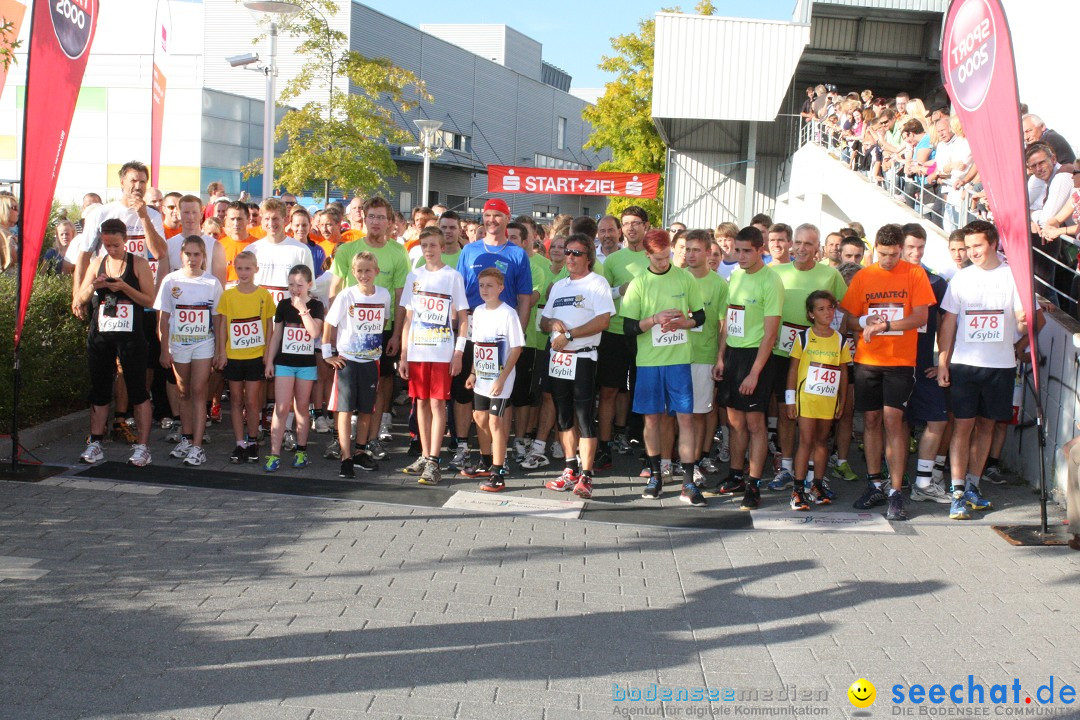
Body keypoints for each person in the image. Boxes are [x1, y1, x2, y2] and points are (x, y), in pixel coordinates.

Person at [937, 220, 1033, 520]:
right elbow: (949, 321)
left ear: (993, 243)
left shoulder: (1013, 276)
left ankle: (973, 486)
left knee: (987, 427)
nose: (972, 252)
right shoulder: (962, 279)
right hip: (965, 364)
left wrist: (1023, 325)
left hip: (1000, 365)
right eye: (969, 247)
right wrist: (943, 360)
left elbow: (1023, 317)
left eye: (977, 245)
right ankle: (956, 490)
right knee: (962, 426)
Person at [839, 223, 936, 521]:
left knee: (894, 421)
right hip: (868, 360)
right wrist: (867, 321)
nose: (888, 260)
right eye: (882, 254)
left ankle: (896, 491)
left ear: (901, 250)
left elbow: (920, 316)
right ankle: (874, 484)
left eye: (893, 254)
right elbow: (850, 320)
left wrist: (886, 326)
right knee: (870, 420)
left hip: (900, 362)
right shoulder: (865, 275)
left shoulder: (914, 273)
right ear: (874, 249)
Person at [620, 229, 708, 506]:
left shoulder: (685, 277)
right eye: (658, 258)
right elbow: (629, 327)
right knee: (652, 419)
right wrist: (654, 319)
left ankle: (689, 482)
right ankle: (656, 474)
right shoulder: (639, 283)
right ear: (647, 255)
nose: (664, 262)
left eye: (667, 256)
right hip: (649, 362)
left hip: (679, 359)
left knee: (685, 418)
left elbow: (701, 315)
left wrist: (685, 323)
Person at [452, 199, 533, 468]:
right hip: (475, 329)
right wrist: (460, 328)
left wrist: (517, 337)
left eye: (497, 216)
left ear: (507, 218)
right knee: (471, 394)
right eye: (487, 215)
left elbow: (523, 299)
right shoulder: (470, 250)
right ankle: (469, 449)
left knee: (501, 396)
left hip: (503, 332)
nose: (492, 220)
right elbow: (460, 294)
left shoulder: (517, 254)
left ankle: (500, 458)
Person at [767, 224, 847, 493]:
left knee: (819, 418)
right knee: (786, 412)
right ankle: (787, 466)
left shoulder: (830, 274)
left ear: (818, 248)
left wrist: (843, 341)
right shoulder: (775, 272)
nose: (801, 248)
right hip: (782, 353)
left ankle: (816, 473)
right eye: (798, 243)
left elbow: (846, 308)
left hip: (821, 357)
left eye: (808, 244)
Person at [330, 196, 410, 459]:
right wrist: (332, 335)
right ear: (363, 217)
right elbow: (334, 292)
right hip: (349, 334)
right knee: (344, 388)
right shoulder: (346, 250)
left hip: (381, 331)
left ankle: (372, 437)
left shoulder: (399, 253)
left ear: (390, 222)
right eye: (372, 216)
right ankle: (340, 440)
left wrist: (397, 334)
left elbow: (401, 298)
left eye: (382, 217)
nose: (376, 222)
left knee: (381, 383)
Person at [710, 226, 783, 510]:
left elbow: (770, 334)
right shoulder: (736, 276)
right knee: (735, 422)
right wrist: (720, 356)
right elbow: (729, 319)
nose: (739, 256)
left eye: (746, 251)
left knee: (755, 424)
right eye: (737, 250)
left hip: (757, 358)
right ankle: (736, 475)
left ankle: (754, 484)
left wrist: (755, 372)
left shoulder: (771, 280)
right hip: (733, 357)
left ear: (759, 249)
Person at [75, 218, 157, 466]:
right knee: (99, 389)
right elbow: (80, 297)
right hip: (101, 333)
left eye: (116, 245)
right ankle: (96, 442)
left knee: (137, 389)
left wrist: (124, 287)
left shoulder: (138, 263)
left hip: (131, 335)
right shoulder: (96, 262)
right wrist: (94, 285)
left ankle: (142, 447)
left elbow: (149, 300)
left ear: (126, 241)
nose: (111, 250)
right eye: (107, 245)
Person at [539, 233, 615, 498]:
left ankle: (587, 475)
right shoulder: (559, 286)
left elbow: (603, 321)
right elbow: (543, 321)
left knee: (584, 416)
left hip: (582, 357)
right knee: (563, 415)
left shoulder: (597, 283)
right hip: (559, 358)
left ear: (589, 258)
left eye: (576, 253)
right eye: (567, 252)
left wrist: (569, 335)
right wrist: (552, 325)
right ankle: (570, 469)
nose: (570, 257)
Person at [398, 227, 468, 485]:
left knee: (438, 404)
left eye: (433, 245)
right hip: (417, 351)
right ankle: (426, 456)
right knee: (421, 403)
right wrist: (404, 355)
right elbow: (408, 318)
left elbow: (463, 319)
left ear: (442, 247)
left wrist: (458, 352)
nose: (428, 250)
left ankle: (435, 460)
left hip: (441, 352)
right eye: (424, 245)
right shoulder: (413, 276)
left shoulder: (453, 277)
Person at [155, 236, 223, 467]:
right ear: (181, 255)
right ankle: (185, 437)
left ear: (204, 256)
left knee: (198, 390)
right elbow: (163, 318)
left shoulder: (212, 283)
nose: (192, 259)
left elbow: (218, 319)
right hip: (179, 344)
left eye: (197, 254)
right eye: (188, 254)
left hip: (204, 344)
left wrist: (220, 351)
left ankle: (197, 446)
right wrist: (164, 349)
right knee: (183, 392)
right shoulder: (170, 281)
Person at [323, 251, 391, 476]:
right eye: (359, 271)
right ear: (353, 272)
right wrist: (327, 354)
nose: (364, 275)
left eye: (368, 270)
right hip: (347, 362)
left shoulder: (383, 295)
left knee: (366, 409)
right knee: (345, 409)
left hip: (371, 361)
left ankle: (361, 451)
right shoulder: (346, 296)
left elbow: (383, 321)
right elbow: (329, 323)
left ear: (376, 272)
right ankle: (346, 456)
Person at [901, 224, 953, 505]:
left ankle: (923, 482)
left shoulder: (936, 283)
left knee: (938, 419)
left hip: (922, 366)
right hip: (892, 366)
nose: (916, 252)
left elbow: (948, 324)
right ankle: (890, 481)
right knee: (895, 425)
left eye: (920, 247)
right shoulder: (889, 279)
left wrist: (943, 361)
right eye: (910, 247)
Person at [72, 162, 167, 315]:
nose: (138, 186)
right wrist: (77, 294)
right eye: (133, 181)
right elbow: (84, 255)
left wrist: (143, 216)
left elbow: (160, 253)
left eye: (142, 182)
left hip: (138, 294)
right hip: (105, 291)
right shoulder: (100, 213)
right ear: (122, 182)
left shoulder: (153, 215)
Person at [785, 290, 851, 509]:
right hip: (807, 399)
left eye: (831, 308)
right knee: (806, 441)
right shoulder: (803, 337)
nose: (827, 313)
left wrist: (843, 399)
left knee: (823, 441)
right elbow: (793, 369)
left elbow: (843, 372)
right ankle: (797, 489)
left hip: (828, 399)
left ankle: (817, 484)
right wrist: (790, 399)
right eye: (821, 309)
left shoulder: (840, 339)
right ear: (811, 314)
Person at [461, 268, 525, 491]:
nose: (485, 290)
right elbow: (478, 346)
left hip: (501, 379)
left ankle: (498, 471)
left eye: (490, 285)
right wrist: (472, 373)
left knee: (495, 422)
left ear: (501, 287)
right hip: (482, 378)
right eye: (481, 286)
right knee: (479, 418)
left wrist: (502, 379)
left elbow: (516, 349)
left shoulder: (508, 314)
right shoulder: (478, 311)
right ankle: (485, 461)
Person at [213, 250, 275, 465]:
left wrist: (268, 355)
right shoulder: (228, 295)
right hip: (233, 356)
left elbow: (269, 326)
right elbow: (222, 326)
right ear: (234, 269)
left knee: (252, 401)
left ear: (256, 269)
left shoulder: (263, 295)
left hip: (256, 356)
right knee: (236, 400)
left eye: (248, 268)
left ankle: (253, 441)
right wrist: (221, 352)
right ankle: (240, 443)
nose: (244, 272)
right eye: (239, 268)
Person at [264, 265, 324, 472]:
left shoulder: (316, 306)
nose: (294, 289)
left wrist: (302, 310)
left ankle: (301, 451)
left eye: (299, 285)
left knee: (301, 408)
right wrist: (269, 361)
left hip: (306, 365)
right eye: (291, 284)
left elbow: (315, 332)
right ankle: (274, 453)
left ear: (309, 284)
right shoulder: (282, 305)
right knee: (280, 407)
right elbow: (277, 335)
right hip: (284, 363)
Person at [683, 230, 729, 483]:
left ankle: (696, 460)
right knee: (675, 413)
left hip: (704, 356)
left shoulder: (719, 284)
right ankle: (673, 461)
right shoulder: (676, 278)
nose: (690, 254)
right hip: (674, 354)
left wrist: (720, 358)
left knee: (700, 413)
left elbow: (724, 325)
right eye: (687, 249)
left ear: (708, 253)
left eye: (696, 250)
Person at [167, 195, 226, 287]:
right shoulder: (169, 245)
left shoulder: (215, 246)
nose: (190, 217)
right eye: (186, 212)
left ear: (201, 214)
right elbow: (162, 285)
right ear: (178, 214)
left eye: (194, 212)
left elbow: (220, 286)